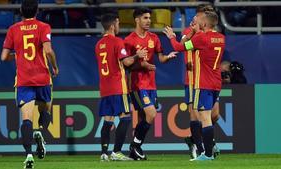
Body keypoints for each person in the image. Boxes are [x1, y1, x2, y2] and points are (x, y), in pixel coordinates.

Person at [1, 0, 59, 168]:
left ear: (20, 11)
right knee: (46, 110)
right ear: (37, 11)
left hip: (24, 79)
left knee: (26, 118)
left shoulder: (13, 29)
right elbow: (48, 50)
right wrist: (55, 66)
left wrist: (17, 55)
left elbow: (4, 57)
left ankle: (28, 156)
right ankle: (39, 132)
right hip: (42, 77)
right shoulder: (43, 26)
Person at [164, 10, 225, 161]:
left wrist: (172, 37)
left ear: (204, 23)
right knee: (208, 117)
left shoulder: (201, 38)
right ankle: (206, 149)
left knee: (204, 118)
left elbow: (179, 47)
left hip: (203, 82)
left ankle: (207, 154)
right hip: (216, 82)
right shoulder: (221, 38)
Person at [124, 7, 177, 160]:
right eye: (145, 18)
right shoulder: (129, 40)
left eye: (149, 18)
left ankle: (135, 151)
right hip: (137, 84)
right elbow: (125, 65)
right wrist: (141, 64)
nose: (149, 21)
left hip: (151, 84)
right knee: (151, 113)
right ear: (137, 20)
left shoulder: (154, 38)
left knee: (143, 118)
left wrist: (168, 57)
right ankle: (135, 145)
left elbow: (160, 58)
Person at [95, 13, 147, 161]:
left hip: (105, 88)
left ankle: (104, 153)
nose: (119, 26)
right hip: (118, 86)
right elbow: (126, 62)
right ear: (112, 25)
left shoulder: (98, 44)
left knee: (108, 119)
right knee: (125, 118)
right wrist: (137, 55)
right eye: (118, 23)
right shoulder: (117, 42)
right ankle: (116, 151)